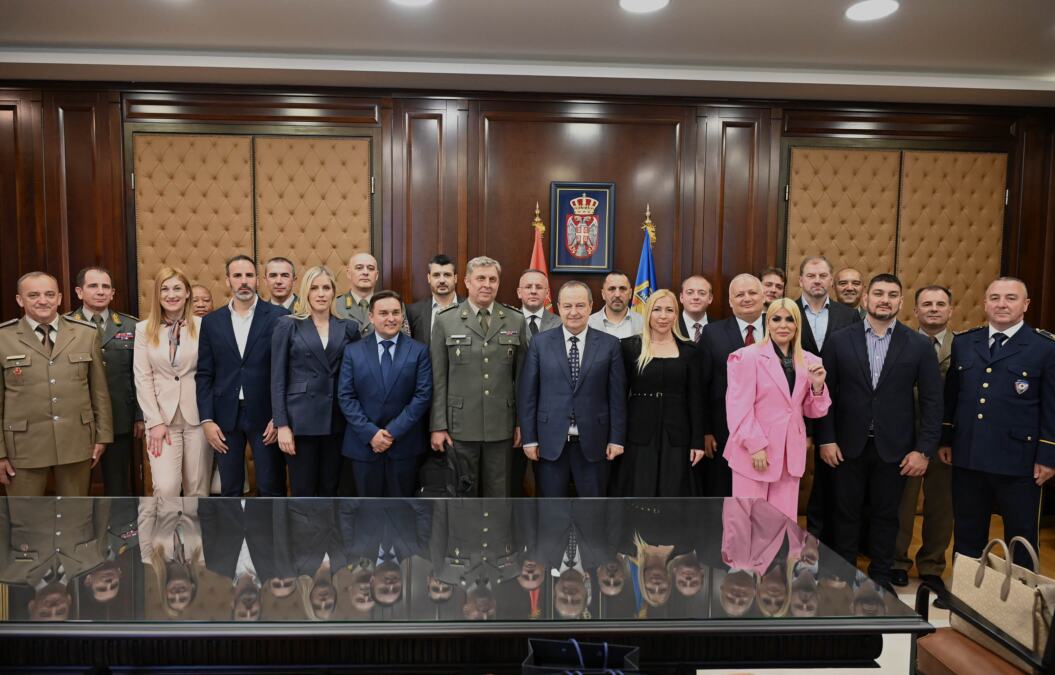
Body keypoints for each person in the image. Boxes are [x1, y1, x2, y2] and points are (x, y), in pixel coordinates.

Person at [815, 273, 942, 591]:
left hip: (896, 447)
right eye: (879, 293)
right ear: (866, 299)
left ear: (901, 302)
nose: (885, 300)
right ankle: (844, 572)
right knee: (845, 512)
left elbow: (932, 402)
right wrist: (826, 439)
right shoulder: (839, 340)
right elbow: (825, 395)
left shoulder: (918, 345)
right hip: (846, 445)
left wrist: (924, 449)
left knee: (887, 515)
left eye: (892, 295)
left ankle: (881, 574)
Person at [940, 277, 1055, 570]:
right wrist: (947, 438)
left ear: (1025, 305)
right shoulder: (965, 342)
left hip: (1020, 461)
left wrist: (1048, 455)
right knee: (967, 532)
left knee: (1021, 537)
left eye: (1010, 298)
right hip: (969, 455)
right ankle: (966, 593)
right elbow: (953, 397)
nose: (1002, 304)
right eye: (995, 298)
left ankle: (1021, 597)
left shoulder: (1044, 347)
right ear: (985, 303)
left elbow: (1051, 407)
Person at [0, 272, 113, 496]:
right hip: (23, 447)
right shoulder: (4, 338)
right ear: (20, 300)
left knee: (75, 512)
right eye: (34, 295)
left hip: (76, 441)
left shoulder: (86, 334)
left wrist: (103, 437)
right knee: (26, 514)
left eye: (50, 294)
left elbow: (99, 391)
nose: (43, 300)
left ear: (59, 298)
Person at [725, 299, 830, 520]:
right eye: (776, 319)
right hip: (754, 451)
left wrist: (817, 386)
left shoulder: (810, 361)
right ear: (768, 323)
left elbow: (815, 411)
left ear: (797, 324)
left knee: (781, 521)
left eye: (790, 319)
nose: (783, 325)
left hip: (790, 455)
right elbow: (738, 408)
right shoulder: (747, 357)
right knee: (746, 521)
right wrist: (755, 446)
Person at [430, 256, 527, 497]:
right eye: (480, 278)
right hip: (460, 425)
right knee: (462, 494)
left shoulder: (515, 319)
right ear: (466, 282)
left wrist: (521, 423)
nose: (487, 284)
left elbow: (522, 379)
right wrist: (438, 425)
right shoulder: (446, 319)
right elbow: (438, 379)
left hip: (501, 425)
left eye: (492, 279)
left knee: (499, 493)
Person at [518, 281, 626, 497]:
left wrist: (616, 438)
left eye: (580, 305)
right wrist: (529, 439)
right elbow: (528, 395)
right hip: (549, 444)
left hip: (595, 443)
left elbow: (617, 397)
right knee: (551, 511)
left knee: (593, 510)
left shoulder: (610, 345)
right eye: (568, 306)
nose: (574, 312)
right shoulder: (540, 344)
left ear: (591, 306)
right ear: (558, 307)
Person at [196, 255, 289, 497]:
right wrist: (207, 420)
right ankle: (234, 526)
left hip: (266, 415)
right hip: (224, 416)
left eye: (249, 275)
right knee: (229, 489)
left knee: (270, 486)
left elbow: (287, 371)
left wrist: (279, 417)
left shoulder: (279, 316)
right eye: (237, 276)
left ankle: (272, 525)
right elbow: (204, 374)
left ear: (257, 279)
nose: (244, 281)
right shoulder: (211, 322)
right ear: (228, 280)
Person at [271, 266, 362, 497]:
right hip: (300, 420)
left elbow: (356, 377)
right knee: (303, 490)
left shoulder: (349, 327)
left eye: (326, 288)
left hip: (337, 419)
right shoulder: (288, 324)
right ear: (306, 292)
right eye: (314, 288)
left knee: (331, 489)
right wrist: (282, 425)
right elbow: (278, 379)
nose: (321, 294)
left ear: (334, 292)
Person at [892, 285, 955, 589]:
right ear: (915, 310)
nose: (933, 309)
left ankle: (932, 565)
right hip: (904, 436)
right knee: (901, 505)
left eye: (940, 304)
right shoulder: (901, 342)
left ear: (950, 311)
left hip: (945, 441)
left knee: (941, 507)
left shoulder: (964, 346)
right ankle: (897, 561)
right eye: (927, 304)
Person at [339, 290, 432, 498]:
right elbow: (346, 397)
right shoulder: (353, 351)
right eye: (383, 313)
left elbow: (422, 396)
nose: (391, 318)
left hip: (404, 446)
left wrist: (392, 432)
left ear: (402, 316)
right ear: (371, 317)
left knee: (402, 511)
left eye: (396, 312)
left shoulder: (419, 351)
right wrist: (371, 434)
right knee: (366, 511)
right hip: (364, 446)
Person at [612, 289, 705, 497]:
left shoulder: (690, 351)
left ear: (676, 314)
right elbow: (618, 397)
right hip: (638, 434)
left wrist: (697, 441)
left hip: (678, 436)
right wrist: (616, 436)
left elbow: (696, 400)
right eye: (657, 310)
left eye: (669, 310)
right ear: (648, 313)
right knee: (639, 492)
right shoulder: (629, 347)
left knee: (674, 493)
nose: (663, 316)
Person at [797, 256, 862, 539]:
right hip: (794, 406)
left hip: (835, 407)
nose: (817, 281)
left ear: (830, 280)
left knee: (831, 477)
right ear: (800, 280)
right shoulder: (787, 312)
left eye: (823, 276)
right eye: (811, 275)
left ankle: (825, 541)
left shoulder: (848, 316)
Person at [133, 266, 211, 497]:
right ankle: (166, 525)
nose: (171, 294)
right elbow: (142, 377)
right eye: (164, 289)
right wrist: (154, 421)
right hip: (162, 420)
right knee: (165, 487)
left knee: (198, 489)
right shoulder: (143, 329)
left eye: (177, 288)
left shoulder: (204, 326)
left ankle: (194, 524)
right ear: (157, 294)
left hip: (197, 417)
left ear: (187, 293)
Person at [68, 266, 144, 495]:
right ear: (79, 292)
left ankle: (117, 520)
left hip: (119, 417)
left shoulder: (132, 326)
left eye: (105, 287)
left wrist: (139, 415)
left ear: (112, 293)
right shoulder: (65, 326)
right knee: (75, 487)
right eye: (93, 286)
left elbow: (140, 375)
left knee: (118, 485)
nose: (100, 291)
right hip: (76, 420)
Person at [698, 274, 766, 497]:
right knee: (725, 492)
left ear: (763, 296)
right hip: (724, 430)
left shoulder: (780, 327)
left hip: (769, 429)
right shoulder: (712, 333)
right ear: (730, 301)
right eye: (739, 294)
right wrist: (706, 431)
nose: (747, 298)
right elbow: (703, 385)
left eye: (752, 293)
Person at [406, 254, 460, 344]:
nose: (442, 280)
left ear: (455, 278)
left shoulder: (469, 307)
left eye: (447, 275)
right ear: (429, 278)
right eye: (436, 275)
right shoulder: (413, 311)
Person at [588, 271, 643, 338]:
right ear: (603, 294)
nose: (617, 295)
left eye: (622, 289)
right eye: (612, 289)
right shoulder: (588, 323)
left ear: (630, 293)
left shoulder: (643, 322)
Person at [517, 268, 561, 342]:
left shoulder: (560, 323)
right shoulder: (509, 322)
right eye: (528, 287)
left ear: (547, 293)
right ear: (519, 293)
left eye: (539, 287)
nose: (533, 291)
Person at [677, 275, 712, 343]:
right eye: (690, 293)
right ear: (681, 297)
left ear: (710, 299)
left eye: (702, 293)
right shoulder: (670, 326)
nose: (696, 297)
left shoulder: (720, 328)